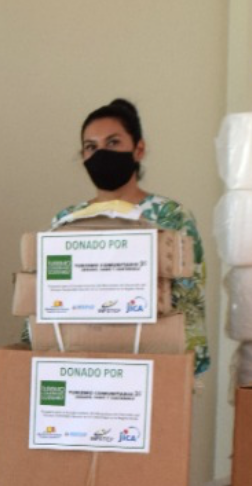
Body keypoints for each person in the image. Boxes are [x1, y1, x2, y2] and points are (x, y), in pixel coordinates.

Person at [53, 97, 209, 378]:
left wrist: (183, 372)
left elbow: (190, 300)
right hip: (82, 367)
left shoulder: (171, 216)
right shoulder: (67, 221)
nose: (101, 153)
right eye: (91, 146)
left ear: (138, 149)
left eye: (113, 142)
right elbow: (49, 294)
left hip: (154, 366)